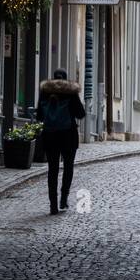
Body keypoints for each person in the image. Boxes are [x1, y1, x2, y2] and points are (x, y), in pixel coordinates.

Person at [35, 69, 86, 213]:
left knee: (53, 169)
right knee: (68, 167)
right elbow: (81, 114)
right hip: (68, 135)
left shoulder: (45, 92)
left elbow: (39, 115)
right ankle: (63, 199)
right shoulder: (70, 92)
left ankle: (53, 204)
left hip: (50, 136)